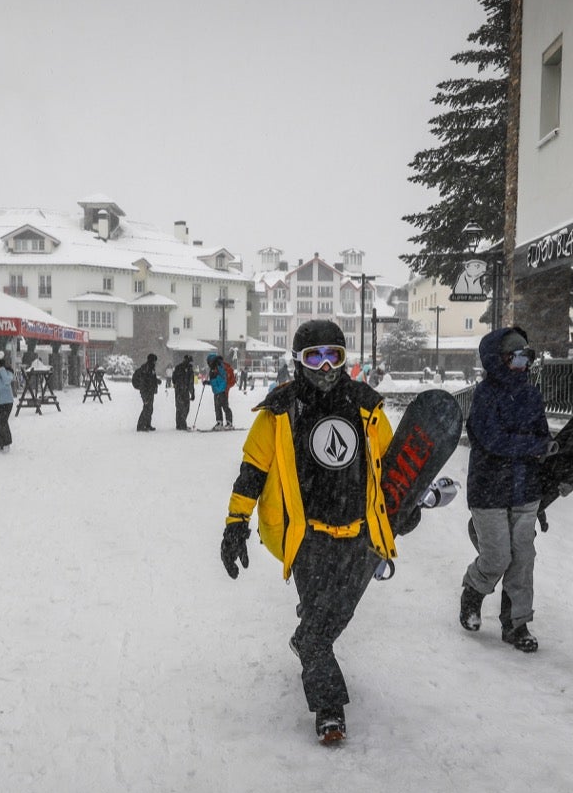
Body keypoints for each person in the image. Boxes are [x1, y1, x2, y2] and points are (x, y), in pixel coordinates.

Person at [218, 319, 409, 744]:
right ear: (297, 361)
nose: (324, 367)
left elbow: (391, 468)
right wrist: (236, 523)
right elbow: (252, 471)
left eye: (334, 356)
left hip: (361, 536)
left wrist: (403, 508)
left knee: (334, 614)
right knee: (320, 633)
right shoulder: (280, 411)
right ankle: (329, 708)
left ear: (345, 360)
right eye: (314, 357)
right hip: (308, 539)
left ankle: (309, 631)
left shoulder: (366, 406)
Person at [460, 326, 553, 653]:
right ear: (499, 360)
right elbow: (492, 440)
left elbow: (542, 436)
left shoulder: (532, 395)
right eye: (515, 357)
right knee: (498, 557)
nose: (522, 364)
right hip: (489, 491)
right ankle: (472, 592)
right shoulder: (485, 395)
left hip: (526, 489)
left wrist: (540, 447)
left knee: (522, 558)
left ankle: (517, 624)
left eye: (526, 357)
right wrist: (531, 446)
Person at [205, 352, 234, 430]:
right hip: (217, 391)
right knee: (217, 407)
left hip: (222, 390)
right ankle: (220, 422)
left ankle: (229, 423)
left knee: (224, 407)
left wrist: (223, 388)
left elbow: (223, 378)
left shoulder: (219, 366)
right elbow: (215, 380)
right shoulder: (214, 368)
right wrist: (208, 382)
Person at [132, 353, 160, 431]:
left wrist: (157, 381)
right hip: (146, 391)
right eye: (155, 361)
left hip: (150, 391)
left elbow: (151, 379)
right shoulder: (146, 368)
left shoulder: (151, 368)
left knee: (150, 408)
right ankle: (140, 426)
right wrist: (144, 396)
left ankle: (147, 424)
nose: (155, 363)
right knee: (146, 408)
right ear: (152, 360)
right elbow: (143, 382)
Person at [170, 354, 196, 430]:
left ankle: (179, 424)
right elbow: (190, 382)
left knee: (181, 408)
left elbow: (174, 379)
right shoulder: (186, 369)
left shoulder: (180, 368)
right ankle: (182, 424)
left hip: (181, 390)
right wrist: (192, 392)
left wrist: (192, 392)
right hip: (182, 390)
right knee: (183, 408)